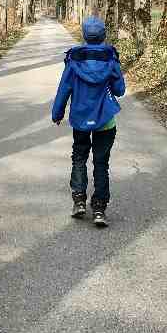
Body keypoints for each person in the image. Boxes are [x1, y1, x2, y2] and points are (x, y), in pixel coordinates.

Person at [51, 16, 126, 227]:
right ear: (103, 35)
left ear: (84, 35)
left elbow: (63, 89)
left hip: (81, 119)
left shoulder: (74, 60)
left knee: (79, 157)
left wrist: (57, 113)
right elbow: (120, 90)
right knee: (101, 163)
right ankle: (100, 209)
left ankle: (79, 201)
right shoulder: (111, 59)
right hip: (105, 121)